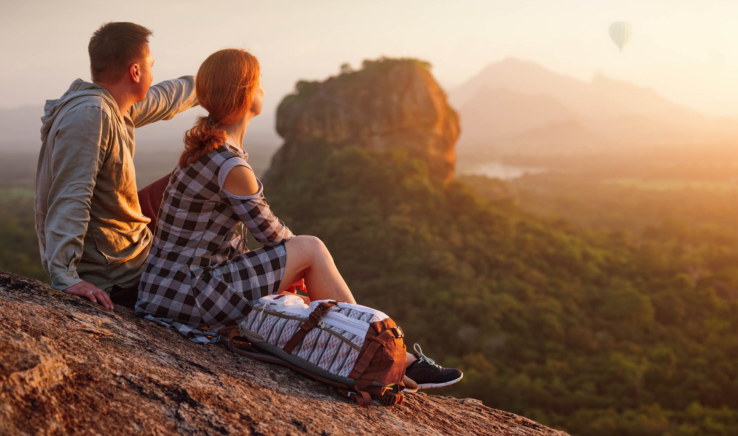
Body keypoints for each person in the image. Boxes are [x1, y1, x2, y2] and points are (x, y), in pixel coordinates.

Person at [135, 48, 462, 391]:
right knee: (312, 248)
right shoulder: (229, 165)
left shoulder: (206, 149)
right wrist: (300, 267)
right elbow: (276, 237)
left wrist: (292, 274)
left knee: (301, 288)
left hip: (168, 290)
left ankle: (385, 355)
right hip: (189, 294)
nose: (263, 90)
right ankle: (374, 348)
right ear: (247, 95)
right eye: (259, 84)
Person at [35, 22, 198, 310]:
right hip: (116, 271)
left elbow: (166, 97)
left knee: (193, 175)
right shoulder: (91, 116)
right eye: (150, 66)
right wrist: (64, 275)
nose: (152, 73)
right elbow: (71, 196)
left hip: (121, 236)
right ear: (136, 71)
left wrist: (212, 82)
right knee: (210, 173)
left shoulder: (109, 104)